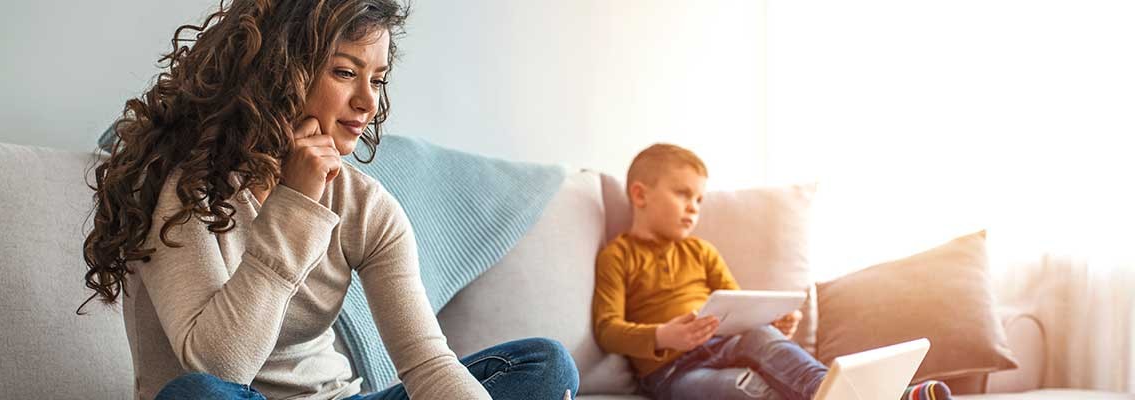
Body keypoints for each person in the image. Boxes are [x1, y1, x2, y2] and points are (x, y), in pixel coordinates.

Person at [79, 1, 577, 399]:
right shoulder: (184, 186)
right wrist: (295, 203)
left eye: (377, 78)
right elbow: (219, 365)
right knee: (197, 395)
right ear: (281, 70)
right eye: (345, 72)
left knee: (545, 367)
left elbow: (426, 365)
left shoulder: (367, 207)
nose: (368, 101)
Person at [591, 144, 951, 400]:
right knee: (744, 388)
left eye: (699, 199)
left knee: (764, 337)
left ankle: (868, 396)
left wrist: (768, 321)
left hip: (725, 343)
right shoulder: (618, 256)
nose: (693, 208)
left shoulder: (701, 252)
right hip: (672, 374)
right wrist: (662, 336)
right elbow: (607, 329)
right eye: (683, 194)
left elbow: (735, 305)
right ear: (640, 196)